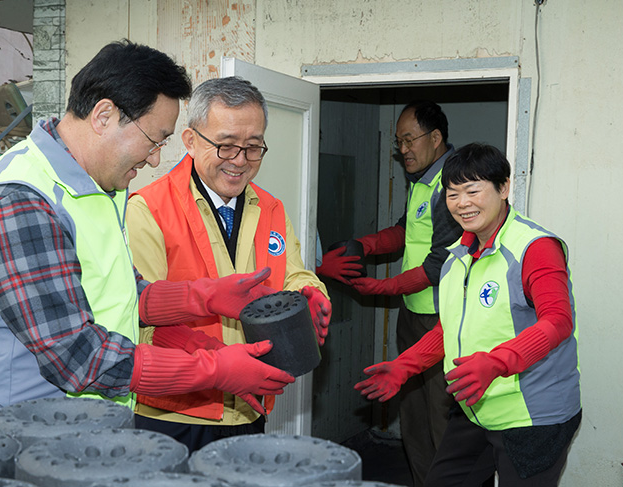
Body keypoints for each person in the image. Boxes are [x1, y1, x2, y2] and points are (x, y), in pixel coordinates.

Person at [0, 40, 295, 412]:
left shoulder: (100, 186)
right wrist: (213, 370)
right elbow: (77, 355)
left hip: (91, 425)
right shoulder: (18, 198)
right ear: (103, 116)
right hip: (29, 430)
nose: (155, 158)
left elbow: (126, 292)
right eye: (154, 140)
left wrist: (205, 297)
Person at [355, 143, 581, 486]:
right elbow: (453, 329)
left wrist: (497, 362)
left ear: (504, 188)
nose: (462, 203)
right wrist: (406, 365)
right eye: (452, 193)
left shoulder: (534, 248)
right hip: (476, 406)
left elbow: (558, 321)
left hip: (532, 417)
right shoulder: (458, 254)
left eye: (473, 190)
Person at [126, 76, 331, 452]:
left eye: (253, 148)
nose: (240, 161)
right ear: (190, 141)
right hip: (177, 416)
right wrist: (220, 362)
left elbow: (293, 274)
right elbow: (139, 320)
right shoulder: (149, 209)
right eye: (226, 146)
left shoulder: (270, 207)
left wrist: (310, 293)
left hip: (249, 409)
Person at [317, 100, 462, 486]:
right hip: (414, 314)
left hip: (441, 323)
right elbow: (405, 230)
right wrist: (364, 245)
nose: (403, 150)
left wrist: (384, 287)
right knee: (413, 416)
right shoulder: (423, 181)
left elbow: (439, 264)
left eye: (409, 140)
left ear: (435, 138)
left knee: (440, 418)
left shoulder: (454, 184)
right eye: (398, 142)